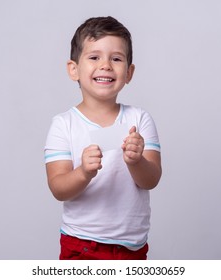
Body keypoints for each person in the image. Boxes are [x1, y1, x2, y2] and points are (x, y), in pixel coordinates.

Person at [44, 16, 162, 260]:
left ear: (128, 73)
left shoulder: (140, 120)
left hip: (132, 247)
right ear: (73, 69)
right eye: (94, 57)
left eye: (116, 59)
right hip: (81, 244)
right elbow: (58, 188)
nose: (106, 65)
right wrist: (83, 173)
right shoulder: (63, 124)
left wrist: (136, 161)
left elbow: (151, 180)